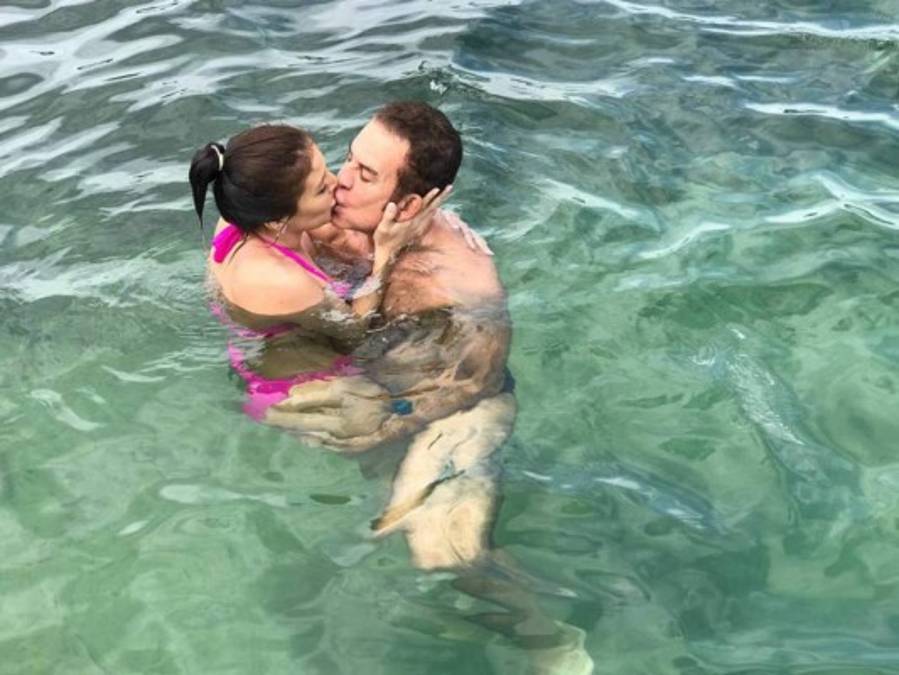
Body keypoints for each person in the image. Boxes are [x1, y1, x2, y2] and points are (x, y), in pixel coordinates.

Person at [267, 103, 593, 673]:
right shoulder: (343, 218)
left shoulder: (458, 279)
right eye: (350, 159)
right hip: (383, 392)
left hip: (459, 409)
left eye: (366, 175)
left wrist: (388, 423)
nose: (342, 180)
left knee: (442, 552)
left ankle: (550, 640)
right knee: (395, 516)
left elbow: (473, 381)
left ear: (411, 205)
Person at [188, 123, 448, 424]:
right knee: (414, 418)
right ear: (277, 219)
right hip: (293, 389)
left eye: (326, 171)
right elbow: (354, 332)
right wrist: (386, 252)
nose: (336, 182)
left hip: (268, 352)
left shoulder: (242, 213)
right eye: (322, 189)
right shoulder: (279, 278)